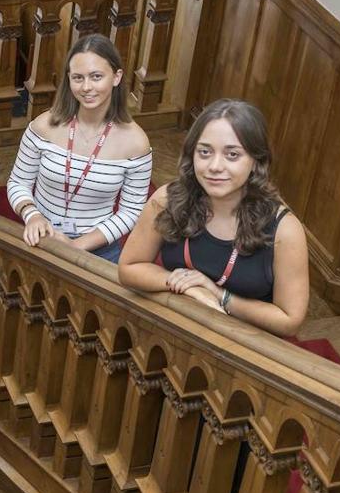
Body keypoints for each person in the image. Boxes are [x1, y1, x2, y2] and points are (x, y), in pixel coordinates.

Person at [118, 98, 309, 336]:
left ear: (256, 161)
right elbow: (129, 267)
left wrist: (219, 295)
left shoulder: (285, 229)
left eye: (232, 155)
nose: (215, 166)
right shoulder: (167, 199)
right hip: (173, 328)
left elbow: (289, 320)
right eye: (205, 152)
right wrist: (189, 288)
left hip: (244, 344)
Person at [6, 34, 152, 263]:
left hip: (98, 250)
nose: (86, 87)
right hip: (40, 239)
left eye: (96, 77)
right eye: (78, 78)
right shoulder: (43, 125)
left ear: (116, 77)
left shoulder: (136, 143)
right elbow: (18, 182)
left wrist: (76, 246)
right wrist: (32, 216)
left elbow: (131, 211)